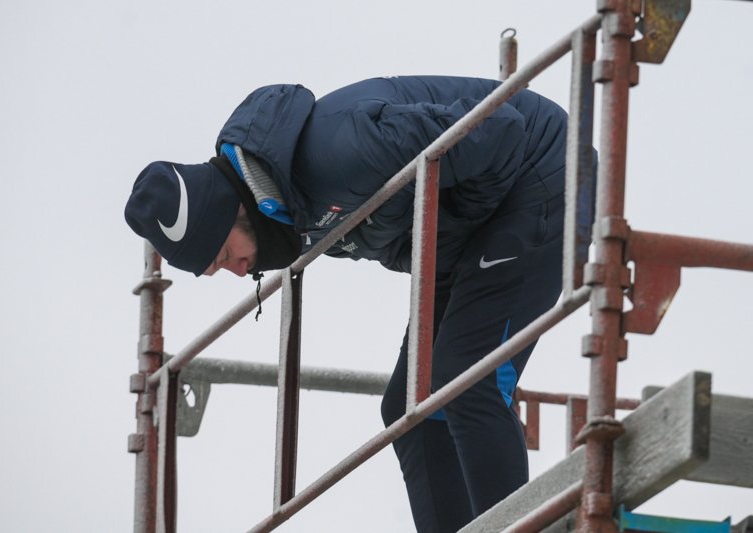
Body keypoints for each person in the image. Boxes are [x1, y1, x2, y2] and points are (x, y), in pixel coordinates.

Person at [125, 75, 574, 532]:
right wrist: (443, 240)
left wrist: (451, 232)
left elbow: (500, 131)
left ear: (233, 210)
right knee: (409, 406)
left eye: (224, 255)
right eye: (219, 270)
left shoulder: (340, 150)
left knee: (465, 379)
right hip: (473, 228)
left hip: (542, 172)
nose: (239, 271)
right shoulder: (292, 210)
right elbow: (400, 235)